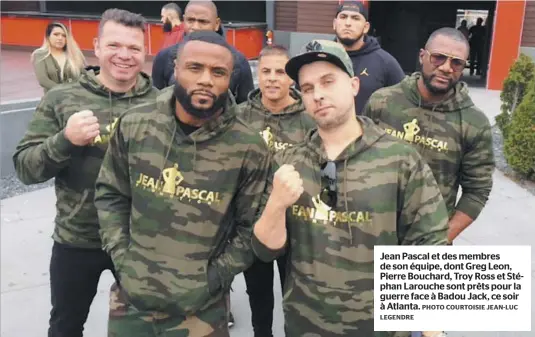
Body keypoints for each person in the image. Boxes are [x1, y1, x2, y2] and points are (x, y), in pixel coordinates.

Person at [251, 39, 449, 337]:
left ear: (354, 85)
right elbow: (265, 252)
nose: (318, 95)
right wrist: (277, 203)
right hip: (305, 325)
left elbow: (429, 248)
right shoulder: (288, 163)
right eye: (307, 88)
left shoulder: (400, 159)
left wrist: (433, 331)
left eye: (328, 81)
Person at [94, 31, 271, 337]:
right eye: (195, 68)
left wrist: (213, 279)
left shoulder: (248, 147)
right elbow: (111, 195)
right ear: (175, 69)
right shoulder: (136, 124)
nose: (206, 79)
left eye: (218, 72)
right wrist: (123, 261)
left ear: (230, 80)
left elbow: (250, 228)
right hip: (132, 302)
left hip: (202, 310)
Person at [13, 9, 159, 337]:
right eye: (114, 45)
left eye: (134, 48)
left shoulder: (160, 103)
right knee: (66, 326)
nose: (124, 55)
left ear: (145, 51)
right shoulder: (62, 98)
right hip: (78, 238)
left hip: (141, 241)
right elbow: (25, 167)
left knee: (147, 328)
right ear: (96, 46)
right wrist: (64, 140)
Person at [363, 27, 495, 245]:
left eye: (456, 63)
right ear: (422, 56)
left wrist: (440, 241)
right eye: (438, 58)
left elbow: (477, 191)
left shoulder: (474, 123)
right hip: (369, 234)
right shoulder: (382, 102)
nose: (446, 68)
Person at [236, 44, 315, 337]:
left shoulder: (308, 118)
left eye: (280, 72)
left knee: (293, 292)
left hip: (295, 226)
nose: (271, 78)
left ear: (291, 78)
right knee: (257, 291)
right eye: (265, 71)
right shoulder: (240, 115)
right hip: (252, 224)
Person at [151, 0, 254, 104]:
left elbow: (246, 108)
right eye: (190, 20)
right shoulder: (164, 57)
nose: (195, 27)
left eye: (203, 22)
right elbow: (156, 102)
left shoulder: (238, 61)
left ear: (217, 24)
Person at [333, 0, 405, 114]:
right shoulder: (320, 58)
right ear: (334, 24)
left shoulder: (385, 62)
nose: (348, 23)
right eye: (343, 17)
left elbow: (404, 103)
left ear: (366, 27)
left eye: (355, 18)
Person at [31, 21, 86, 93]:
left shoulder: (75, 55)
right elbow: (43, 80)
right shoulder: (40, 55)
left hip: (75, 99)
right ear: (48, 37)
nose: (60, 38)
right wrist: (64, 91)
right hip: (53, 100)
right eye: (56, 34)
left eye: (64, 36)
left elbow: (83, 76)